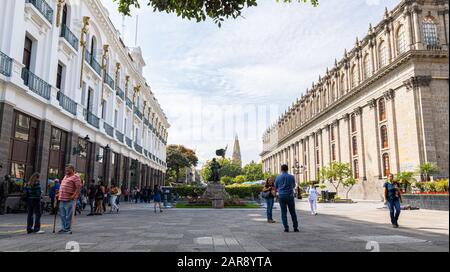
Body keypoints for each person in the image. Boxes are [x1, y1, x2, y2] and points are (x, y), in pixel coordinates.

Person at [57, 165, 82, 234]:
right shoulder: (65, 176)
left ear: (72, 169)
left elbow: (78, 187)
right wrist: (59, 193)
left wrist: (74, 195)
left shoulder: (76, 177)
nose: (66, 171)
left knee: (68, 215)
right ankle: (63, 228)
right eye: (66, 169)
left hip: (69, 199)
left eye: (68, 169)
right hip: (62, 198)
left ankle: (67, 229)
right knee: (62, 215)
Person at [274, 164, 299, 233]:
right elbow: (293, 186)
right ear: (287, 169)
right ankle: (295, 227)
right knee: (292, 212)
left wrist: (276, 195)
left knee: (283, 212)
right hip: (290, 195)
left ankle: (286, 228)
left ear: (281, 169)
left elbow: (275, 187)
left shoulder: (278, 177)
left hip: (281, 196)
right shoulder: (291, 177)